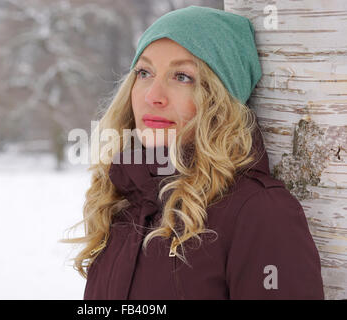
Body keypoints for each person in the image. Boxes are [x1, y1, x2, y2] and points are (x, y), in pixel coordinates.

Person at [63, 5, 324, 299]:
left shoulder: (260, 212)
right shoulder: (122, 196)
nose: (153, 96)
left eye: (182, 77)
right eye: (145, 72)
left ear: (219, 99)